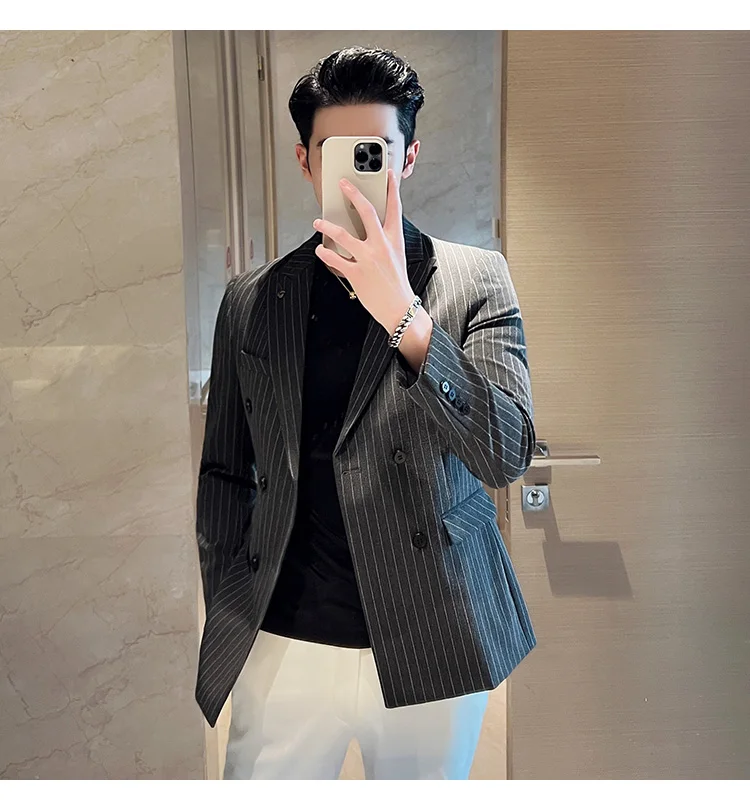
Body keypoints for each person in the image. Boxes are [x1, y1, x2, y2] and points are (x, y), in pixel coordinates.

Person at [194, 46, 537, 780]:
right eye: (335, 151)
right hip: (285, 637)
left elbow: (505, 453)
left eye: (374, 150)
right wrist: (231, 603)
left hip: (433, 627)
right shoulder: (253, 299)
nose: (355, 170)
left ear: (407, 157)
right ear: (305, 160)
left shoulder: (475, 280)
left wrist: (408, 321)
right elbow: (225, 470)